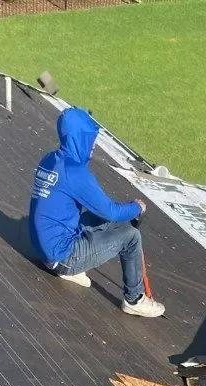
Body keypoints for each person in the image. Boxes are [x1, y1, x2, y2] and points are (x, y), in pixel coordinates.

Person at [29, 107, 164, 318]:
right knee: (130, 236)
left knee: (106, 218)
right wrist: (137, 207)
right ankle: (134, 299)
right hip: (62, 255)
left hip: (46, 247)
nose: (93, 147)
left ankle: (67, 268)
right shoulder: (75, 172)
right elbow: (111, 211)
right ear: (79, 139)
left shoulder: (51, 159)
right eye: (90, 141)